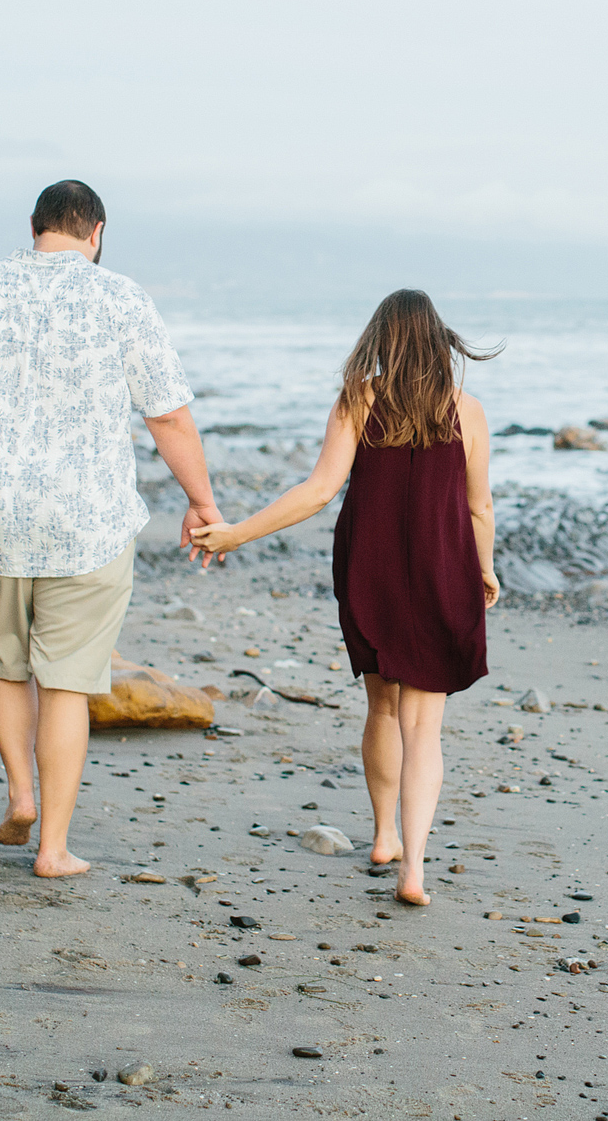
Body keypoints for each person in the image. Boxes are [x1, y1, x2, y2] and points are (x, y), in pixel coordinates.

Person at [0, 179, 219, 878]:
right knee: (66, 682)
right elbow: (169, 416)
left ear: (35, 228)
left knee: (3, 660)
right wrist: (201, 500)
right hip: (88, 519)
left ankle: (20, 793)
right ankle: (54, 847)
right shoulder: (120, 296)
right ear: (95, 233)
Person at [190, 289, 500, 905]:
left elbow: (317, 490)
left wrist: (237, 534)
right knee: (425, 728)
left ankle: (383, 835)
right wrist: (484, 570)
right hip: (443, 573)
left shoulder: (360, 400)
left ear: (381, 340)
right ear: (441, 343)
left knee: (383, 707)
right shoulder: (467, 409)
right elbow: (478, 506)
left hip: (372, 573)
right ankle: (414, 869)